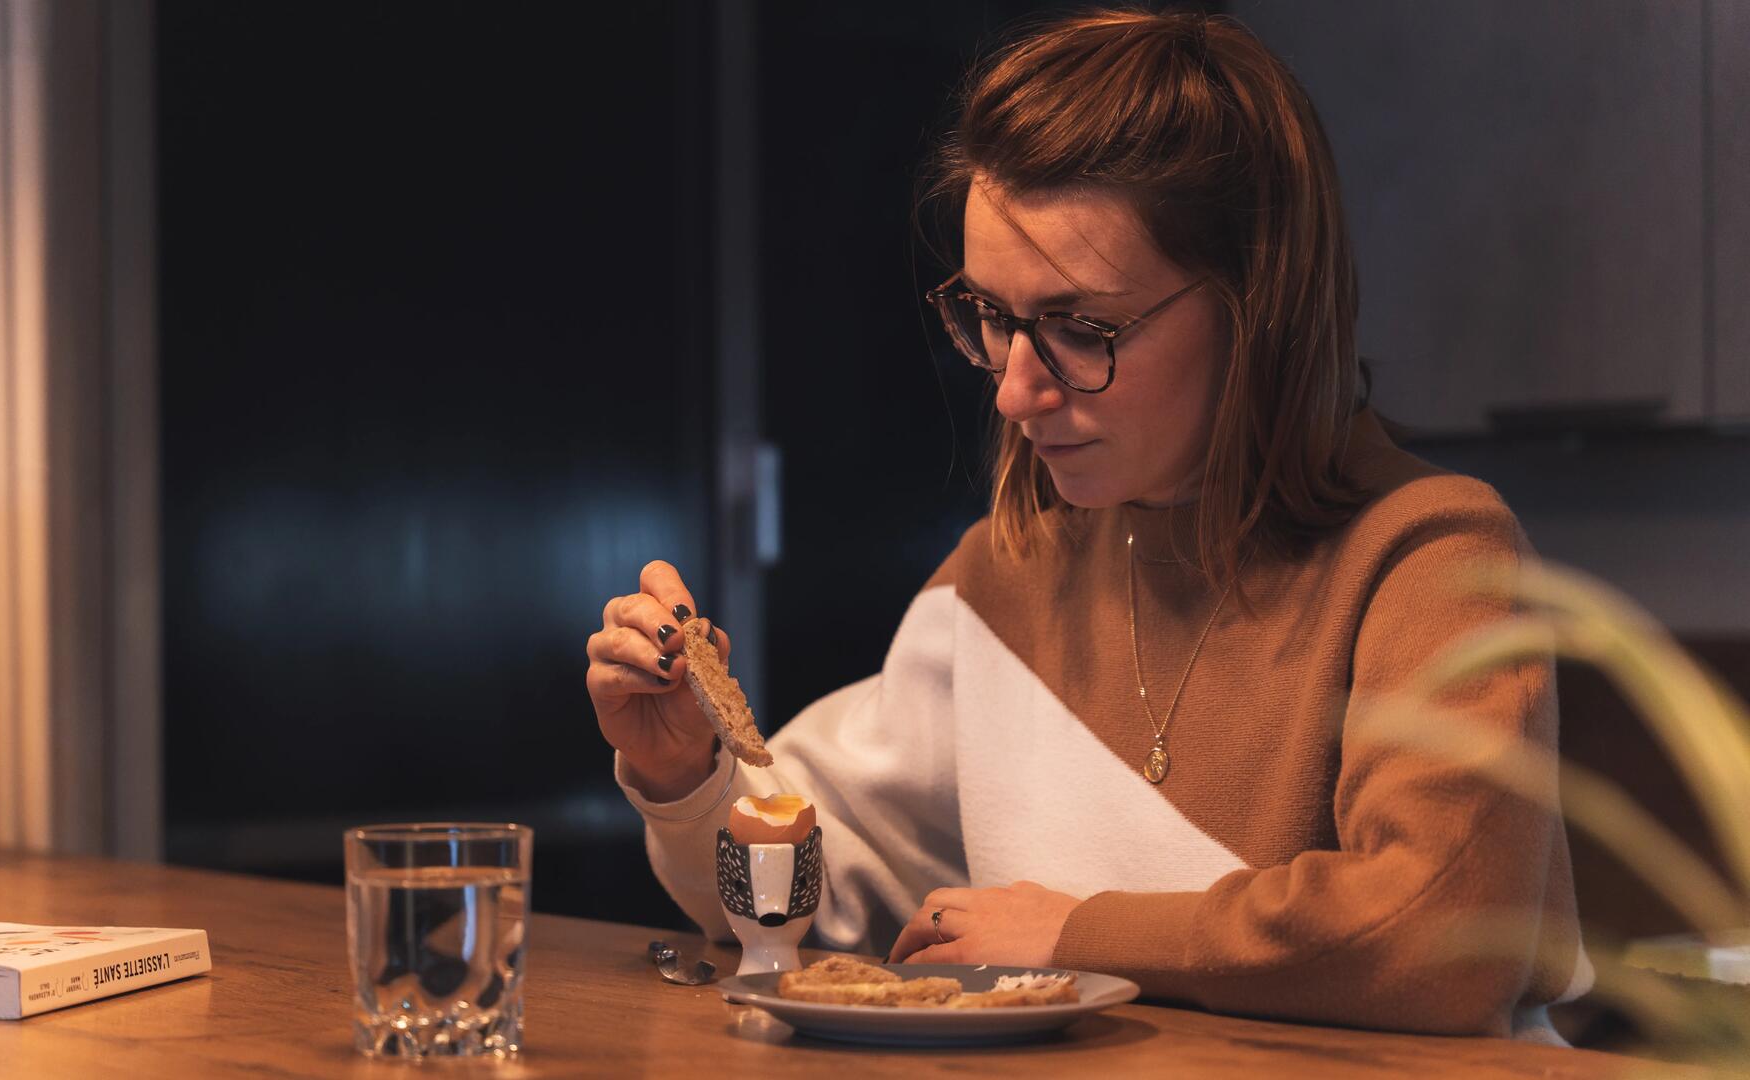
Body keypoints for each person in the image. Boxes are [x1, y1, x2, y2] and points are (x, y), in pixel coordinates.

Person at [584, 9, 1588, 1040]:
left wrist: (1076, 935)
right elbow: (812, 894)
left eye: (1080, 329)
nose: (1016, 392)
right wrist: (686, 776)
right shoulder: (1005, 577)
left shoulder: (1428, 561)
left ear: (1262, 304)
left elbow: (1441, 938)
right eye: (990, 316)